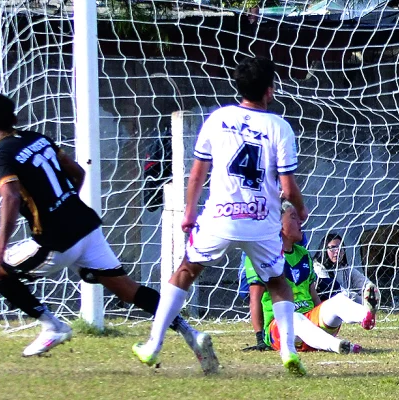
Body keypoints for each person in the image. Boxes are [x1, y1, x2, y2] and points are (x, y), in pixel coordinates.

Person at [0, 94, 204, 359]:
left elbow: (11, 196)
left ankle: (53, 326)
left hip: (56, 241)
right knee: (128, 289)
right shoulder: (39, 139)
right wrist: (64, 204)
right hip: (86, 227)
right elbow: (79, 173)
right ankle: (192, 334)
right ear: (15, 118)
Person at [132, 56, 309, 376]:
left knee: (185, 272)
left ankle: (153, 344)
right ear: (270, 90)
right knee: (277, 282)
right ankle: (288, 351)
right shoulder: (279, 127)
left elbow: (197, 173)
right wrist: (300, 206)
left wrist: (188, 212)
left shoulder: (218, 118)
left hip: (220, 218)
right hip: (261, 221)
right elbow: (287, 184)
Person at [246, 201, 379, 354]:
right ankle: (336, 345)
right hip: (280, 329)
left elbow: (313, 294)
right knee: (293, 317)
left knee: (339, 299)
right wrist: (260, 339)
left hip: (311, 323)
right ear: (278, 223)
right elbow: (255, 299)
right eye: (293, 217)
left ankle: (366, 315)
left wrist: (323, 312)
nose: (300, 221)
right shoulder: (262, 256)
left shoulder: (303, 254)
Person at [313, 233, 378, 305]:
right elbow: (337, 293)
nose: (337, 251)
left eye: (340, 247)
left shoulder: (345, 268)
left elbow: (363, 282)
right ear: (324, 249)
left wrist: (371, 292)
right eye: (333, 248)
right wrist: (361, 301)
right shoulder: (318, 268)